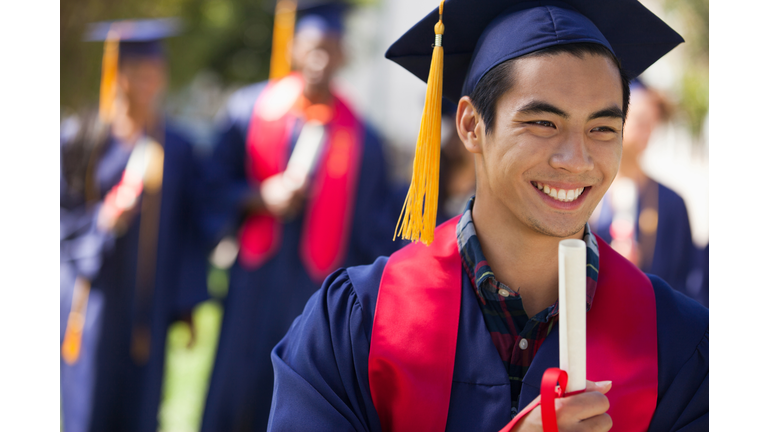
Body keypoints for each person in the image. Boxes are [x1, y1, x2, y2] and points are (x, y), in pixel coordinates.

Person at [268, 1, 708, 431]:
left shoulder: (680, 345)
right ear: (471, 126)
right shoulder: (354, 323)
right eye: (542, 123)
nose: (576, 160)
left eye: (602, 129)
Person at [199, 3, 403, 431]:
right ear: (293, 49)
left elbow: (375, 227)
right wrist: (258, 196)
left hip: (315, 289)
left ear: (344, 55)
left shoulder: (362, 139)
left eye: (330, 49)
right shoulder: (249, 111)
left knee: (298, 386)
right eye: (312, 48)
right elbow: (212, 186)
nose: (320, 59)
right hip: (252, 283)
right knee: (236, 386)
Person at [60, 18, 209, 432]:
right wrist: (103, 221)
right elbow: (57, 216)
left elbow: (188, 229)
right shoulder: (81, 138)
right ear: (118, 74)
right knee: (89, 401)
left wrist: (186, 302)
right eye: (138, 73)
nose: (148, 83)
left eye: (154, 73)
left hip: (151, 300)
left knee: (143, 408)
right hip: (94, 299)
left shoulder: (176, 147)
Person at [589, 79, 705, 304]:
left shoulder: (672, 203)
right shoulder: (584, 194)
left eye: (652, 124)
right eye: (641, 122)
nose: (648, 132)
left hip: (655, 323)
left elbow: (688, 281)